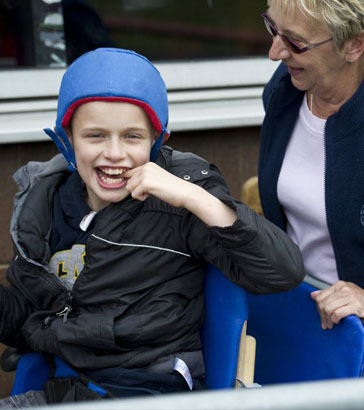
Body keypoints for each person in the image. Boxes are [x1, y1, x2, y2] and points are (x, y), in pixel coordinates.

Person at [1, 47, 304, 406]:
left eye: (132, 137)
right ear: (66, 140)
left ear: (157, 141)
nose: (114, 153)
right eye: (95, 136)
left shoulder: (179, 205)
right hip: (64, 383)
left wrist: (197, 200)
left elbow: (283, 272)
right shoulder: (46, 204)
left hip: (150, 392)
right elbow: (29, 312)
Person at [258, 0, 364, 330]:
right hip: (301, 315)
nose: (275, 52)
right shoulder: (285, 92)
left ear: (354, 44)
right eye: (273, 29)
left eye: (295, 42)